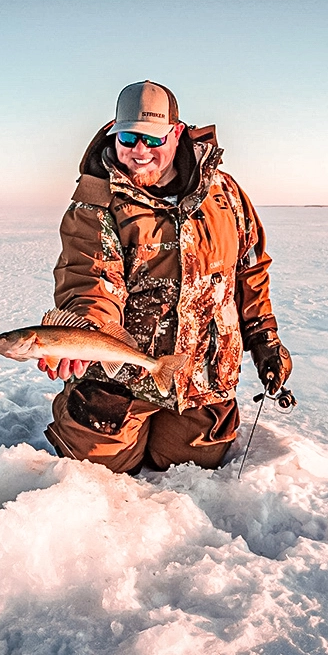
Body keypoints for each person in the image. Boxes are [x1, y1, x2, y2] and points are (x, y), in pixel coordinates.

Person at [38, 80, 292, 474]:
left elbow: (250, 268)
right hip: (120, 379)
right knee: (97, 468)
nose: (139, 151)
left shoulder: (224, 194)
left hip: (200, 375)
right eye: (128, 137)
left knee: (191, 463)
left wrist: (264, 338)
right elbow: (88, 278)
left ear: (176, 133)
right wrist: (87, 331)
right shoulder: (96, 202)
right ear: (113, 132)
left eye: (153, 140)